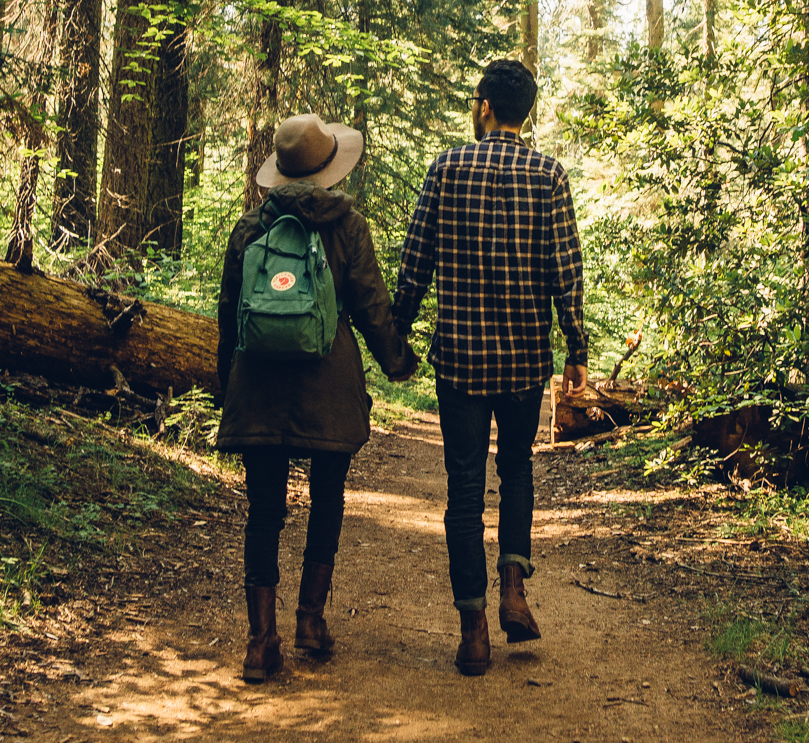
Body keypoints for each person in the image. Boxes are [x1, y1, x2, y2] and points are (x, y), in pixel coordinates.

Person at [394, 59, 589, 676]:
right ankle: (514, 587)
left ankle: (474, 627)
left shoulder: (447, 169)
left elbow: (416, 260)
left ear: (484, 105)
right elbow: (567, 272)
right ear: (526, 111)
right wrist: (576, 350)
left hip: (460, 359)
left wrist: (394, 330)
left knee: (463, 490)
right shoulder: (548, 175)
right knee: (517, 471)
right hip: (525, 359)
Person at [215, 112, 417, 684]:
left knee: (263, 512)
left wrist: (225, 382)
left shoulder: (249, 228)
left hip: (257, 387)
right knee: (327, 499)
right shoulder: (347, 225)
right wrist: (398, 362)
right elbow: (373, 306)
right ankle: (309, 620)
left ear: (280, 172)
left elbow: (229, 314)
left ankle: (260, 642)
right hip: (329, 387)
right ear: (329, 168)